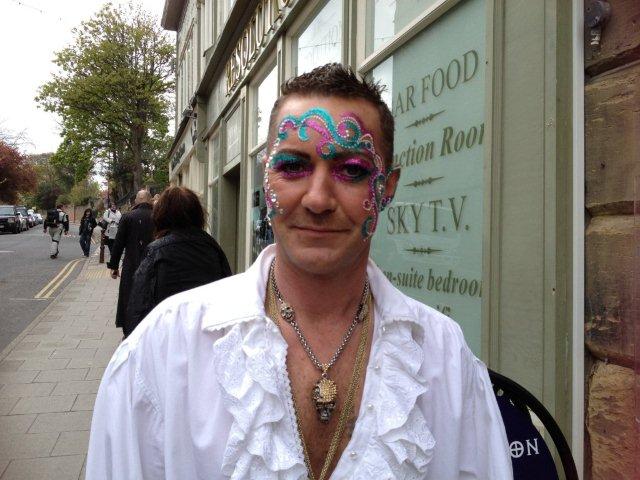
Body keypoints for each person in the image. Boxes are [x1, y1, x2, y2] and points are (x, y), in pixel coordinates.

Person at [87, 64, 512, 479]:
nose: (318, 199)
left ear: (388, 189)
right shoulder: (166, 350)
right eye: (293, 166)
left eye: (353, 170)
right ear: (265, 176)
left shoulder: (444, 358)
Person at [125, 186, 232, 337]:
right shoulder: (213, 249)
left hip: (168, 343)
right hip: (207, 341)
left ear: (160, 216)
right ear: (198, 214)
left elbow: (138, 308)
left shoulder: (156, 252)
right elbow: (227, 299)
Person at [106, 190, 154, 337]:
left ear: (136, 202)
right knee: (151, 298)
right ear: (150, 200)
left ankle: (129, 332)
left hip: (131, 265)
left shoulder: (127, 217)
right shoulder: (159, 216)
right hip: (154, 265)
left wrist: (114, 266)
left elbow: (118, 244)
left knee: (128, 297)